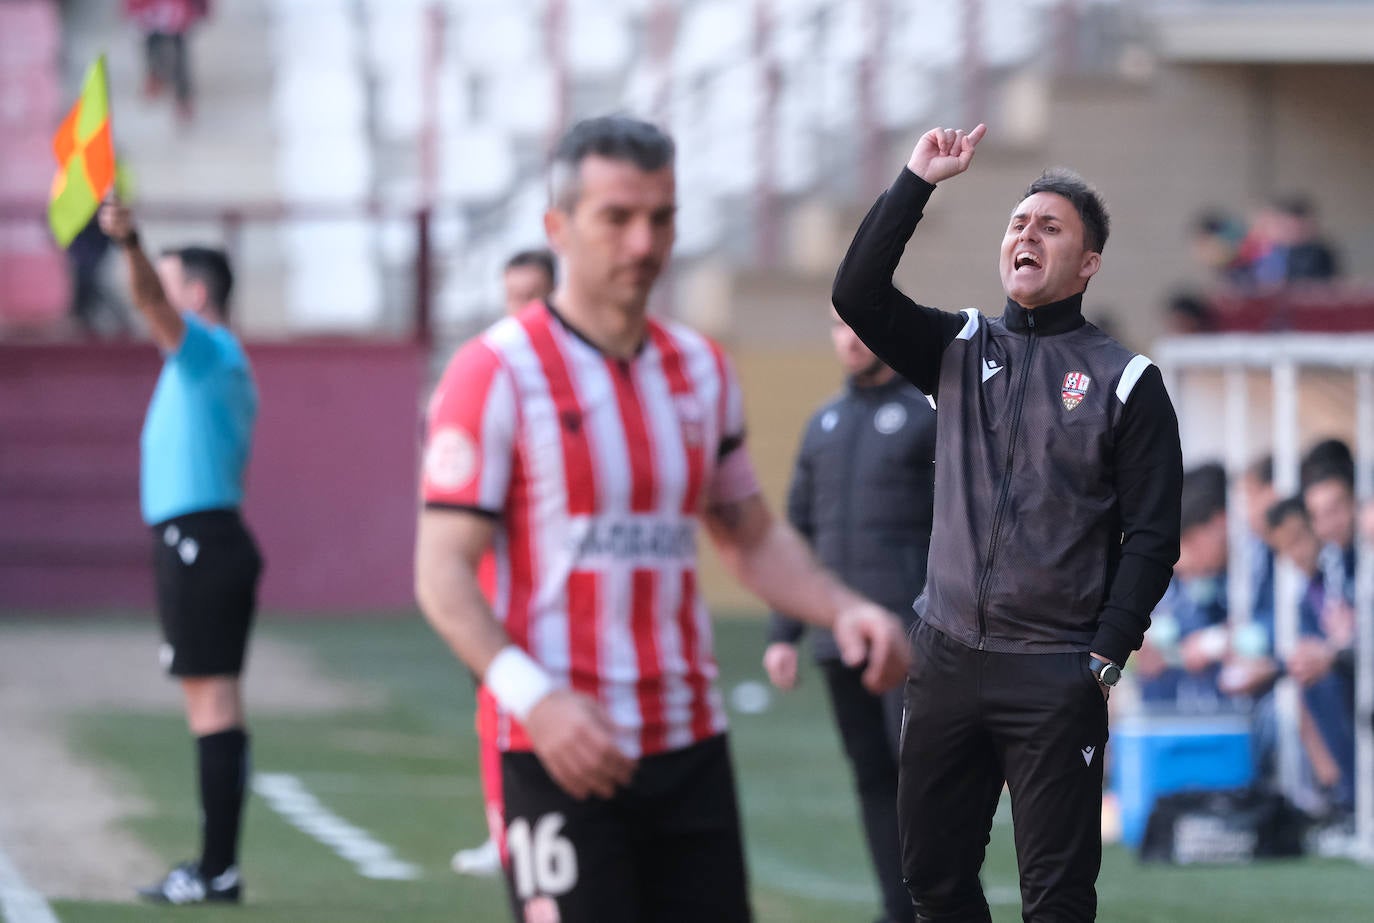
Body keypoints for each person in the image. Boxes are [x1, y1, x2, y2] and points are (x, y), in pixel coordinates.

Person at [413, 115, 909, 923]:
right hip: (556, 747)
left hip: (689, 746)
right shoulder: (493, 372)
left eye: (661, 217)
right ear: (558, 227)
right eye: (617, 217)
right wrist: (534, 698)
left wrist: (843, 606)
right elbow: (441, 572)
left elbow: (746, 531)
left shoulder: (702, 369)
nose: (644, 243)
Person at [831, 123, 1182, 921]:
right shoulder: (956, 346)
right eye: (1019, 222)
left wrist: (1102, 656)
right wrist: (916, 183)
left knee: (1056, 900)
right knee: (934, 883)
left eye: (1050, 226)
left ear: (1087, 264)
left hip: (1057, 670)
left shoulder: (1127, 380)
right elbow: (856, 293)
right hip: (946, 658)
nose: (1028, 232)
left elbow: (1155, 532)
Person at [98, 199, 261, 905]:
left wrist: (129, 240)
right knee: (214, 703)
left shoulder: (204, 351)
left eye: (164, 286)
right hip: (198, 538)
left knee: (213, 704)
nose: (148, 298)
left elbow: (145, 299)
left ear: (195, 295)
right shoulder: (204, 361)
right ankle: (216, 864)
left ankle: (216, 869)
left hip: (201, 538)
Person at [762, 306, 936, 923]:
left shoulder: (925, 416)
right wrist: (784, 632)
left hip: (910, 639)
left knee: (917, 779)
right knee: (870, 778)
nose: (851, 339)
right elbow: (797, 533)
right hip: (839, 641)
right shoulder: (822, 425)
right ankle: (898, 910)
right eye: (838, 327)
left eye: (862, 324)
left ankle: (934, 904)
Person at [452, 247, 559, 880]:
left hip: (560, 587)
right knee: (496, 709)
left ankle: (536, 836)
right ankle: (506, 835)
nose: (518, 311)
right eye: (511, 297)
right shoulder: (488, 374)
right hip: (496, 582)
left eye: (531, 296)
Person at [123, 0, 211, 123]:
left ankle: (181, 96)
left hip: (176, 11)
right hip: (153, 11)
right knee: (153, 39)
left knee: (177, 47)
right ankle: (156, 76)